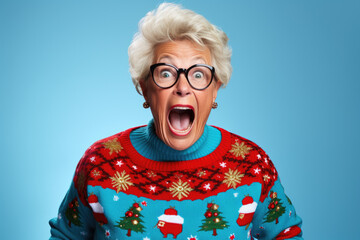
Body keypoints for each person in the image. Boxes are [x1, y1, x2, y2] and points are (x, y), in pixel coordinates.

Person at [49, 3, 302, 239]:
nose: (182, 87)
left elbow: (287, 233)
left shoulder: (250, 164)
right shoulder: (99, 165)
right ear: (145, 88)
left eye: (198, 74)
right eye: (166, 72)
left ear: (215, 90)